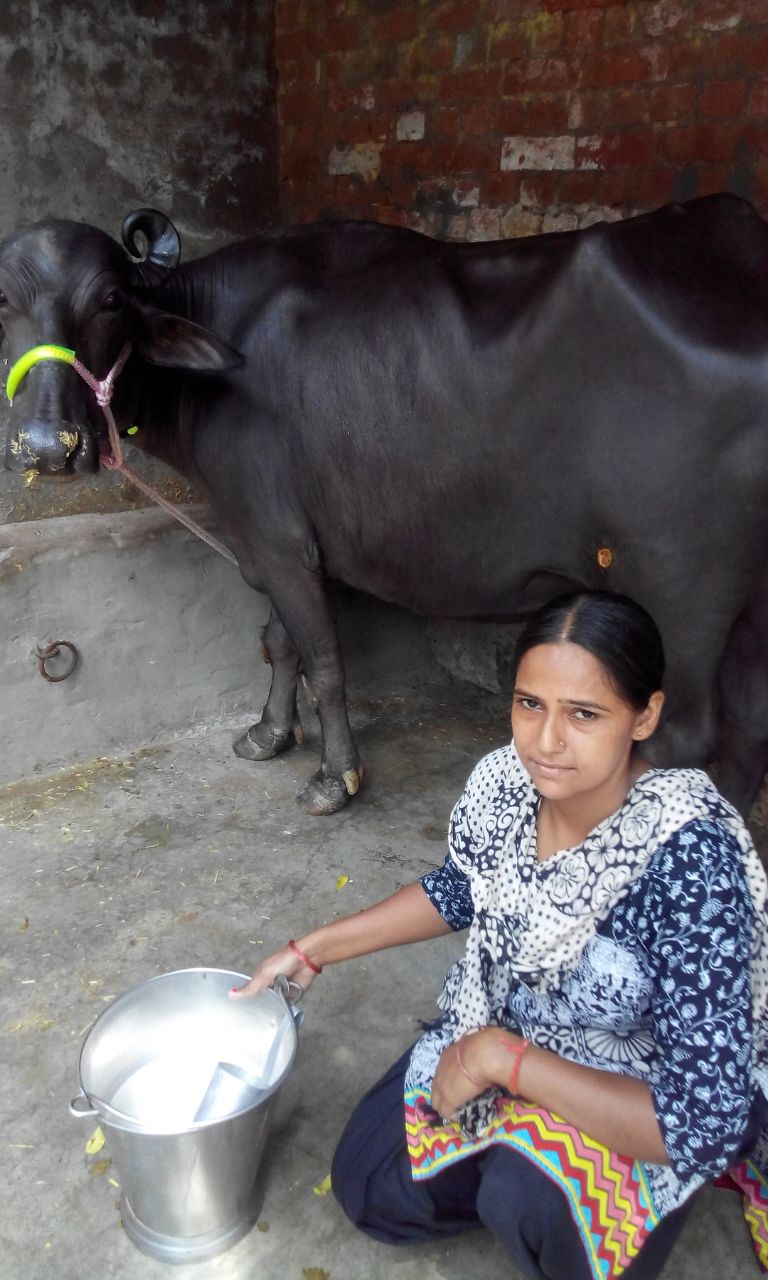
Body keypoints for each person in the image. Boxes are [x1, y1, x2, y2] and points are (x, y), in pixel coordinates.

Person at [232, 590, 768, 1280]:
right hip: (513, 1022)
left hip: (639, 1089)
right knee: (367, 1182)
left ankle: (593, 1201)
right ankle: (504, 1159)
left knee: (524, 1195)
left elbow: (704, 1121)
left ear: (646, 716)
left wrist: (499, 1061)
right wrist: (314, 949)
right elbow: (464, 887)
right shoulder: (510, 786)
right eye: (529, 704)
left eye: (584, 714)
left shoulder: (689, 861)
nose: (545, 742)